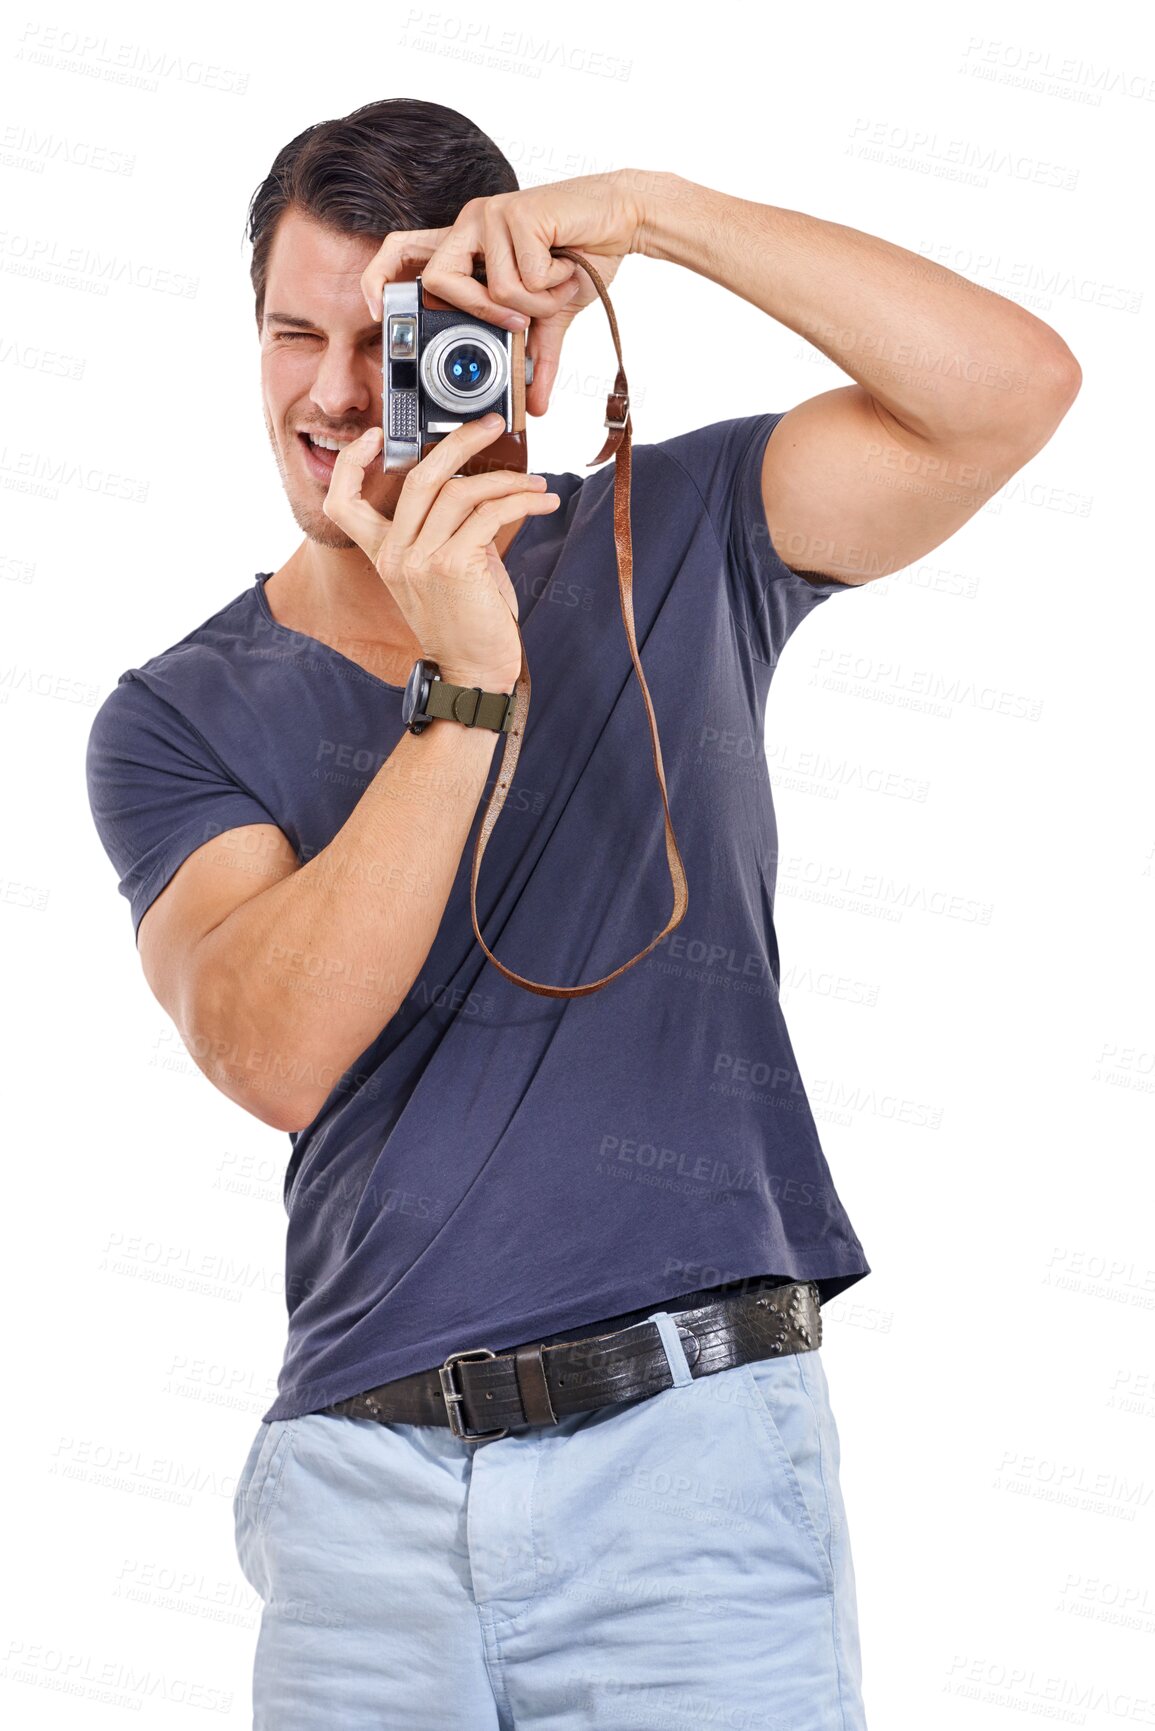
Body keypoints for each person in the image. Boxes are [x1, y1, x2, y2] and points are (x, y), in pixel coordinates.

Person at [85, 97, 1080, 1731]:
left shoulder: (672, 531)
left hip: (690, 1476)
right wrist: (466, 681)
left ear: (524, 361)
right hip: (364, 1500)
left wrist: (654, 213)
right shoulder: (177, 715)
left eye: (401, 337)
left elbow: (1010, 394)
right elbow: (267, 1050)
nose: (338, 395)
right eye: (292, 334)